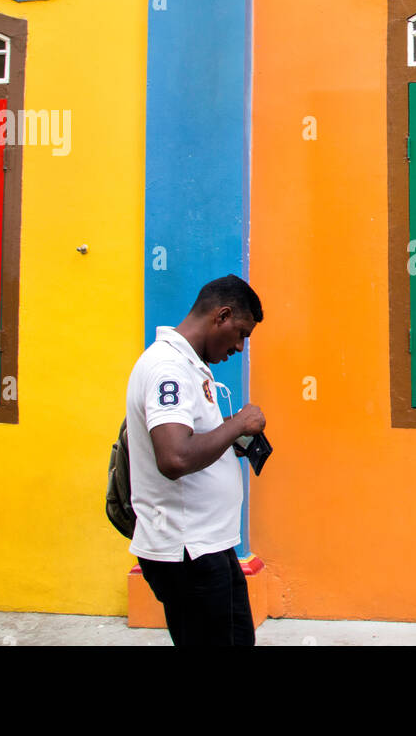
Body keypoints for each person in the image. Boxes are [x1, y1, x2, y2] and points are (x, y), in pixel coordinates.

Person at [125, 274, 266, 646]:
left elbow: (192, 442)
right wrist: (237, 424)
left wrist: (228, 438)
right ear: (221, 316)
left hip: (207, 545)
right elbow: (173, 457)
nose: (238, 347)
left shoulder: (189, 366)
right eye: (240, 333)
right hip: (188, 552)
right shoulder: (168, 368)